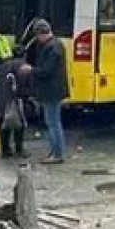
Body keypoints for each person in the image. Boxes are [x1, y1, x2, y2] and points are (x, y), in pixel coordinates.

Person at [25, 20, 69, 164]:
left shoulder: (52, 47)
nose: (37, 39)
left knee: (53, 123)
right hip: (54, 90)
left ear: (42, 33)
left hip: (51, 91)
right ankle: (56, 152)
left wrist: (31, 70)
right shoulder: (57, 44)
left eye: (38, 36)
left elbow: (47, 70)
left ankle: (57, 154)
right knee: (54, 122)